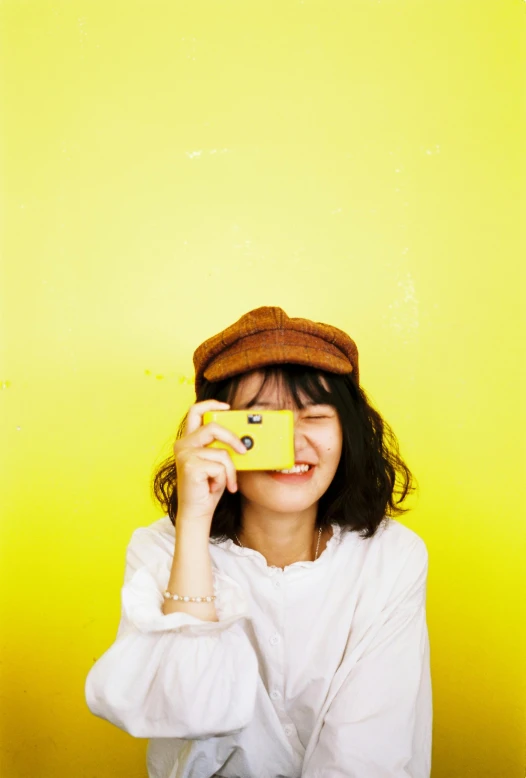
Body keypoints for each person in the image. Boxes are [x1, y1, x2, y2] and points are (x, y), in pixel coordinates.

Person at [85, 306, 432, 778]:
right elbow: (190, 714)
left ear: (346, 432)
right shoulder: (160, 549)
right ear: (210, 431)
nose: (291, 445)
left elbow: (364, 755)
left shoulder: (392, 556)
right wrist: (193, 521)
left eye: (314, 416)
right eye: (261, 424)